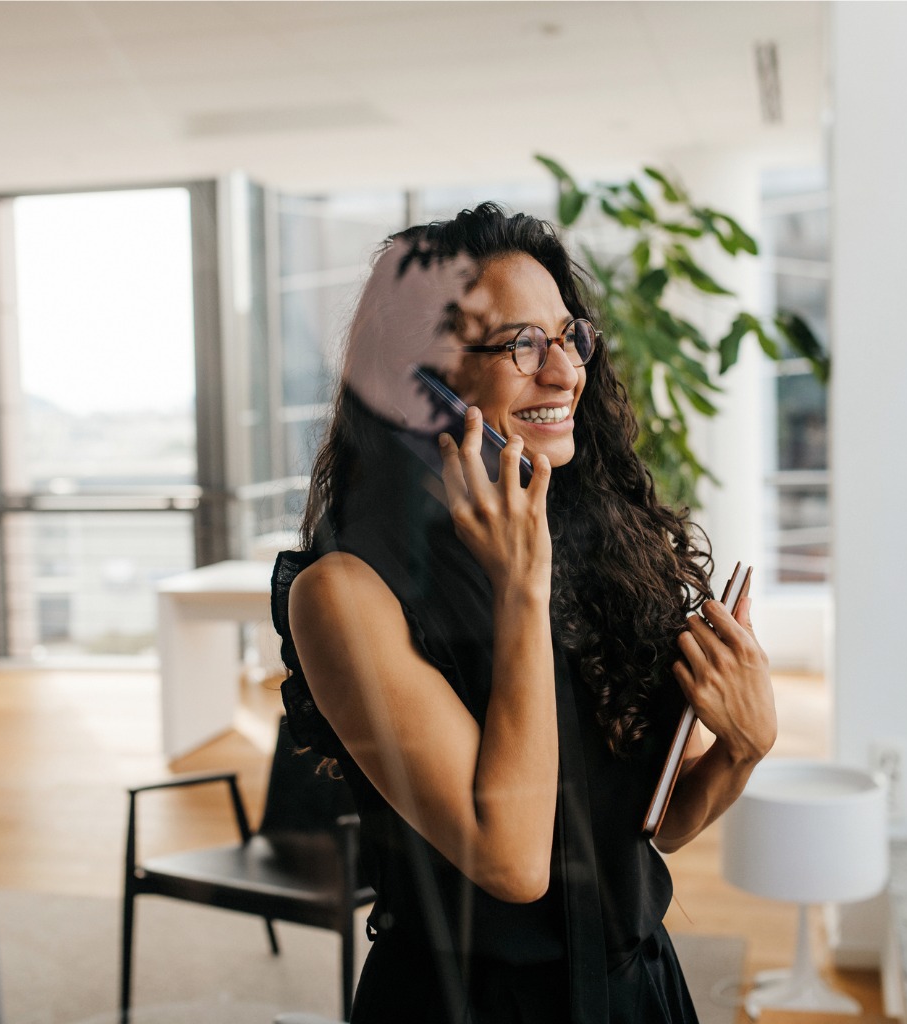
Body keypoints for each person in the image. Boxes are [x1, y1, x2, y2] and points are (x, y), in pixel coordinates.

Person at [271, 203, 777, 1024]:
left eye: (568, 335)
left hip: (637, 992)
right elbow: (513, 863)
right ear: (417, 388)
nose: (566, 370)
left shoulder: (586, 541)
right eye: (521, 345)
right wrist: (521, 593)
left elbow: (655, 828)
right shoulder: (344, 595)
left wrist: (742, 752)